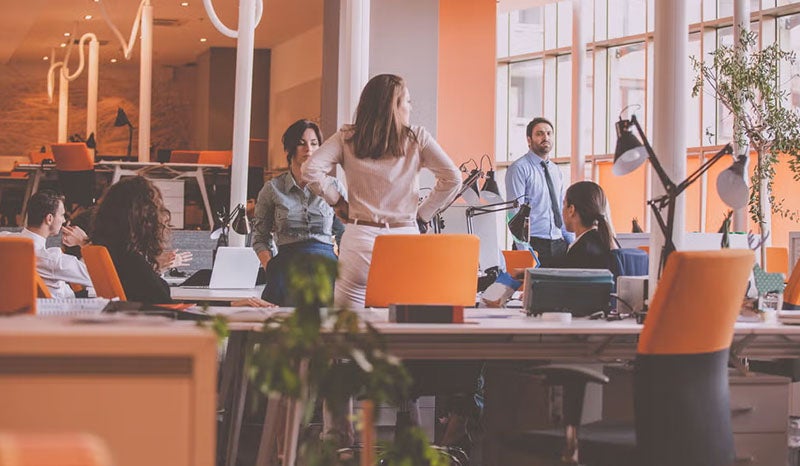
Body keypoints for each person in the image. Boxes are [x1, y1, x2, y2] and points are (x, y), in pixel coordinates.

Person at [302, 73, 462, 309]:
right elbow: (453, 178)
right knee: (402, 324)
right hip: (404, 240)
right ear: (395, 106)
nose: (410, 107)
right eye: (407, 101)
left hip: (360, 239)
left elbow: (310, 170)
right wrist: (422, 214)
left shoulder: (347, 137)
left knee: (347, 327)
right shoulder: (418, 138)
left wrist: (337, 202)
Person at [92, 176, 272, 307]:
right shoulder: (131, 261)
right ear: (142, 216)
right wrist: (231, 306)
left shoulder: (113, 252)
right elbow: (170, 310)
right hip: (164, 335)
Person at [252, 119, 346, 306]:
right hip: (285, 270)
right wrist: (270, 267)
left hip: (326, 271)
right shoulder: (272, 189)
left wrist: (344, 269)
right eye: (301, 144)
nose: (308, 149)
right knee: (281, 331)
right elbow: (260, 237)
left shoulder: (333, 186)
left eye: (314, 144)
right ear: (289, 148)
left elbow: (345, 232)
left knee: (326, 331)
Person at [505, 117, 573, 266]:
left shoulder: (556, 171)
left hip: (558, 245)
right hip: (533, 245)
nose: (545, 137)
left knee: (559, 289)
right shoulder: (519, 169)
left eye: (549, 133)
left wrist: (571, 243)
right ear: (529, 140)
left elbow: (562, 209)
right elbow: (514, 214)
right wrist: (524, 251)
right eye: (540, 134)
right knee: (532, 290)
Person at [4, 189, 92, 298]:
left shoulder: (4, 239)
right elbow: (96, 276)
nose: (64, 220)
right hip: (63, 309)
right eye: (62, 215)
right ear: (49, 219)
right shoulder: (52, 260)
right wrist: (83, 241)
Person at [556, 181, 615, 269]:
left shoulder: (579, 251)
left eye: (564, 204)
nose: (562, 210)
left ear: (571, 210)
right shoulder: (608, 241)